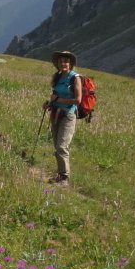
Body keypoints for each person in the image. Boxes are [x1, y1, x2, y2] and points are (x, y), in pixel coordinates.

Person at [46, 50, 81, 185]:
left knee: (61, 146)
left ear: (70, 63)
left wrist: (59, 99)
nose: (63, 63)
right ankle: (60, 175)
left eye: (66, 61)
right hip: (56, 113)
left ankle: (64, 178)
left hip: (68, 115)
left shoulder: (75, 78)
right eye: (61, 61)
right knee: (57, 146)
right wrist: (49, 103)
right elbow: (54, 95)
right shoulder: (58, 77)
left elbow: (77, 100)